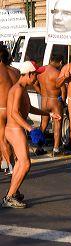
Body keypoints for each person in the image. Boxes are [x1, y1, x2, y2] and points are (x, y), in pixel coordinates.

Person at [2, 61, 61, 208]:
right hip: (14, 130)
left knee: (20, 164)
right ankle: (10, 197)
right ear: (29, 74)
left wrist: (48, 113)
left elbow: (29, 108)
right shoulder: (18, 89)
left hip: (16, 129)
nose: (37, 78)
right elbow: (14, 113)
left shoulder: (22, 88)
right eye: (36, 75)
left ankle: (13, 193)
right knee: (26, 163)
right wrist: (31, 129)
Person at [36, 54, 65, 156]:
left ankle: (39, 147)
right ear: (60, 62)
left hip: (44, 100)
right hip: (55, 100)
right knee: (57, 124)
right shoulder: (57, 73)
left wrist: (41, 93)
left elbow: (35, 84)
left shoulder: (40, 71)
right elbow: (63, 89)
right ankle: (56, 149)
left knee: (43, 125)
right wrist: (63, 100)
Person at [0, 46, 17, 175]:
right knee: (13, 137)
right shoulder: (15, 71)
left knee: (2, 138)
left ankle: (10, 165)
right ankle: (14, 162)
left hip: (1, 109)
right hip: (13, 108)